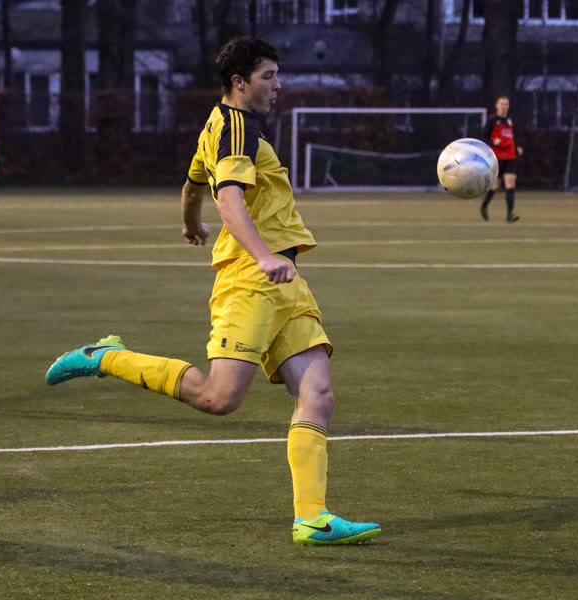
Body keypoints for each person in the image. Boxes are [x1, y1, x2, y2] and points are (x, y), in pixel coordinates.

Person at [45, 37, 381, 546]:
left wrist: (189, 225)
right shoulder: (235, 126)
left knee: (319, 393)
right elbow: (228, 200)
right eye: (268, 75)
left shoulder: (220, 124)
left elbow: (192, 186)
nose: (278, 84)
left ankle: (312, 517)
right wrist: (262, 255)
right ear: (239, 82)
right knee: (217, 397)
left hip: (284, 283)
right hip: (252, 278)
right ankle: (105, 357)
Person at [480, 96, 522, 223]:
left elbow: (515, 135)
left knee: (510, 183)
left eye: (506, 104)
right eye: (502, 104)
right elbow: (483, 138)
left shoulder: (511, 120)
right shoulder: (492, 121)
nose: (504, 106)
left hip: (510, 156)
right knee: (495, 185)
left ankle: (510, 214)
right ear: (497, 105)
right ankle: (484, 205)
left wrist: (518, 146)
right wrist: (493, 141)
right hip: (497, 157)